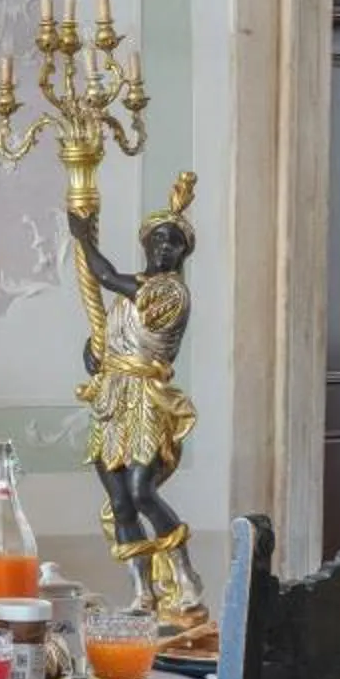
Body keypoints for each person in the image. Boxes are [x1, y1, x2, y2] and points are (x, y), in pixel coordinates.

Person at [69, 174, 210, 623]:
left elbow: (106, 275)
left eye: (175, 245)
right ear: (147, 243)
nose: (165, 250)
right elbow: (109, 343)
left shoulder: (169, 293)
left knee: (141, 490)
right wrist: (94, 354)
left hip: (147, 399)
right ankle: (141, 591)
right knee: (120, 501)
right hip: (113, 399)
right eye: (159, 241)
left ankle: (186, 576)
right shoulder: (128, 301)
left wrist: (82, 239)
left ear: (182, 255)